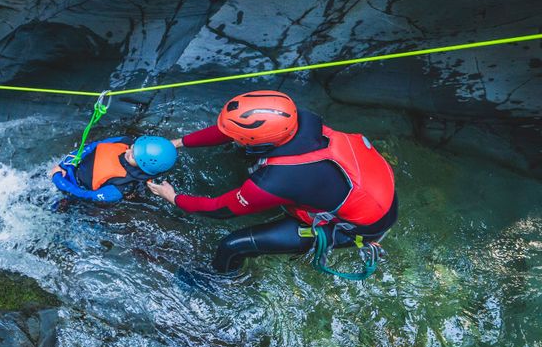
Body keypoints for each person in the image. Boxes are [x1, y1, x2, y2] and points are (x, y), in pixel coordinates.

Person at [147, 90, 398, 272]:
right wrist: (177, 144)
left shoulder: (274, 181)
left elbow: (220, 210)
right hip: (368, 188)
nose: (230, 137)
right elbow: (232, 131)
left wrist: (173, 197)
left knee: (232, 244)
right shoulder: (297, 118)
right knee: (242, 152)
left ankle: (219, 283)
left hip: (360, 227)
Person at [51, 136, 178, 203]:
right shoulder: (124, 141)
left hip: (74, 187)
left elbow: (85, 195)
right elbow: (93, 146)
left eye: (132, 155)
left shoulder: (119, 187)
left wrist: (59, 180)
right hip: (70, 170)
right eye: (133, 147)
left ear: (143, 165)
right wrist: (66, 165)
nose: (127, 150)